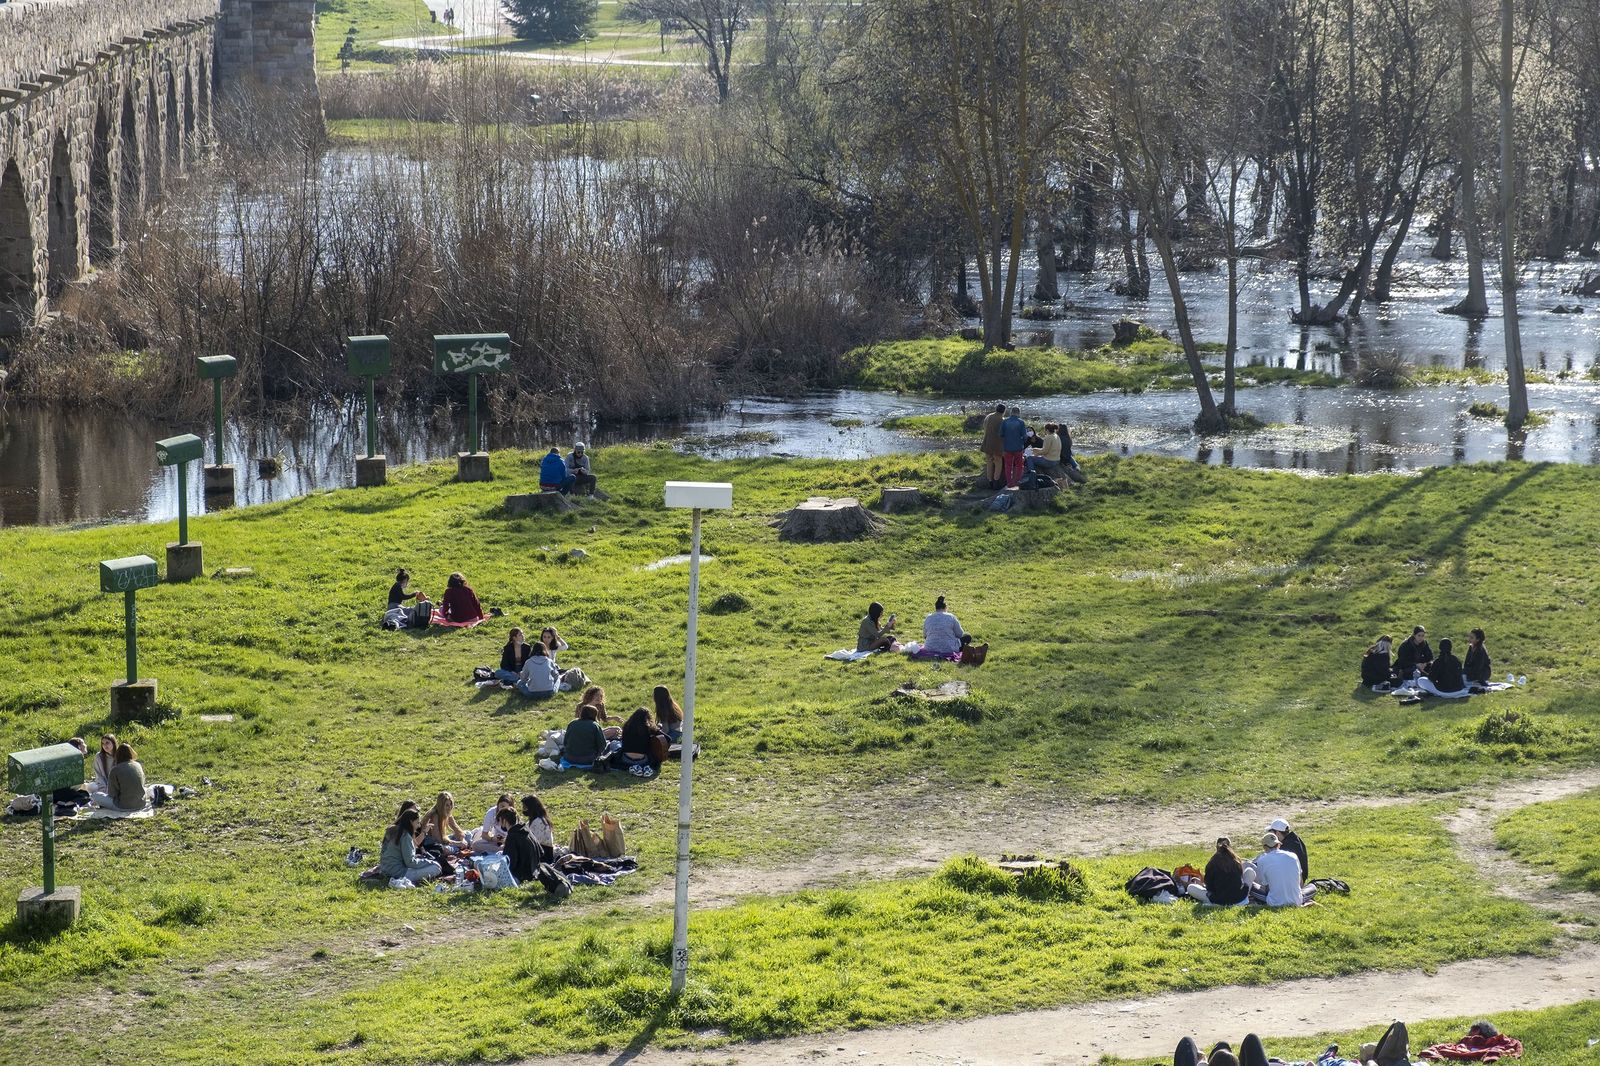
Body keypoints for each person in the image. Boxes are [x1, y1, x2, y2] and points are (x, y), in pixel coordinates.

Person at [379, 808, 442, 885]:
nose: (419, 825)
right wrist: (430, 862)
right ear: (411, 822)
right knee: (436, 868)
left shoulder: (392, 830)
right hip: (398, 873)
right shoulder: (405, 836)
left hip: (384, 869)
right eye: (417, 822)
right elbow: (410, 862)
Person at [1250, 832, 1309, 907]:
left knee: (1250, 884)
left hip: (1274, 902)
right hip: (1297, 900)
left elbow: (1265, 886)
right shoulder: (1293, 856)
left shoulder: (1262, 860)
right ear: (1278, 845)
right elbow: (1300, 881)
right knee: (1312, 887)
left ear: (1265, 847)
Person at [613, 707, 664, 776]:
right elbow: (668, 738)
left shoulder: (626, 726)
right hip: (643, 760)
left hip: (624, 759)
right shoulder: (649, 728)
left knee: (614, 743)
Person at [1202, 837, 1249, 906]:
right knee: (1250, 871)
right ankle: (1245, 899)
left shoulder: (1213, 861)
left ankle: (1215, 904)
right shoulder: (1236, 860)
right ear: (1230, 847)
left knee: (1191, 887)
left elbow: (1209, 886)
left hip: (1219, 900)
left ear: (1216, 847)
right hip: (1238, 899)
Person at [559, 705, 608, 769]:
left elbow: (565, 742)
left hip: (569, 758)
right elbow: (602, 744)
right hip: (588, 759)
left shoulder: (572, 723)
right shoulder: (594, 725)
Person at [498, 807, 537, 884]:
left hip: (521, 875)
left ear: (504, 821)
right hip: (534, 871)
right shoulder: (525, 829)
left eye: (499, 820)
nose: (499, 824)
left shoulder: (512, 836)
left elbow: (510, 862)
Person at [108, 742, 150, 812]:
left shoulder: (115, 770)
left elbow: (112, 794)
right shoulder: (138, 765)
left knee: (96, 795)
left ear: (117, 755)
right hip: (141, 803)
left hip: (123, 806)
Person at [52, 738, 91, 807]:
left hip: (62, 791)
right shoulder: (75, 761)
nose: (85, 745)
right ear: (79, 747)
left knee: (84, 793)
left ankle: (67, 802)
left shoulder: (70, 759)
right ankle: (67, 803)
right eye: (83, 743)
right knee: (84, 796)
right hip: (61, 791)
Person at [1267, 818, 1308, 883]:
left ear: (1277, 833)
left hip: (1295, 881)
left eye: (1271, 832)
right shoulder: (1294, 839)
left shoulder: (1285, 847)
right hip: (1299, 878)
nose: (1270, 835)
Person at [521, 795, 556, 864]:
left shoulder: (539, 821)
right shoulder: (534, 820)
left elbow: (533, 841)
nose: (523, 810)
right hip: (539, 852)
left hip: (544, 855)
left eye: (525, 807)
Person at [999, 406, 1029, 489]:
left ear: (1011, 412)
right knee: (1019, 465)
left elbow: (1000, 434)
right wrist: (1024, 441)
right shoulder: (1021, 422)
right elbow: (1024, 436)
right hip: (1018, 447)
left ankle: (1009, 483)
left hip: (1007, 447)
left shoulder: (1005, 422)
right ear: (1019, 413)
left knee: (1008, 466)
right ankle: (1017, 482)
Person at [979, 403, 1006, 488]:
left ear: (996, 409)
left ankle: (990, 481)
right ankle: (996, 481)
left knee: (989, 462)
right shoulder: (1002, 420)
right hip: (997, 445)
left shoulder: (988, 416)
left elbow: (984, 427)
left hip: (987, 443)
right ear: (1004, 412)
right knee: (998, 462)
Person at [91, 733, 117, 798]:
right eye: (103, 743)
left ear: (113, 743)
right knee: (91, 787)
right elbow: (98, 775)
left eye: (107, 743)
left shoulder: (119, 755)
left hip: (116, 785)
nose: (105, 745)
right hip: (102, 785)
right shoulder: (99, 756)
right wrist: (104, 787)